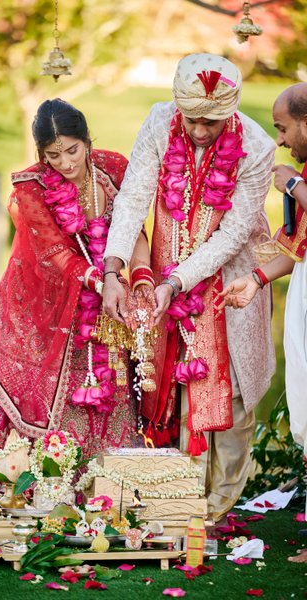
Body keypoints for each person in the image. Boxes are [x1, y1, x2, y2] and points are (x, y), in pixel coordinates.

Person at [0, 98, 150, 514]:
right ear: (42, 154)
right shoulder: (31, 187)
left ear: (87, 140)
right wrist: (101, 279)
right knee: (30, 389)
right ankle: (31, 497)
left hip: (107, 308)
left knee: (107, 387)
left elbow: (133, 227)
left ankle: (101, 499)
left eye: (73, 150)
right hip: (43, 313)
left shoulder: (114, 169)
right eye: (53, 155)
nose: (66, 163)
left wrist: (137, 279)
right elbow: (54, 251)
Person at [103, 53, 276, 523]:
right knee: (170, 376)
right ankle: (174, 496)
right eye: (193, 119)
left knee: (232, 387)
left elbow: (234, 231)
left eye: (212, 121)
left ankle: (216, 507)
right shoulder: (159, 122)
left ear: (232, 112)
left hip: (231, 274)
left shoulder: (258, 147)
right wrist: (113, 269)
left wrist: (179, 281)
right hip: (162, 263)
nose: (200, 131)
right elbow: (135, 195)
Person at [220, 82, 307, 466]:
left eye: (283, 128)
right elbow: (296, 250)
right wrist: (255, 281)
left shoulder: (299, 178)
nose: (281, 140)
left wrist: (294, 184)